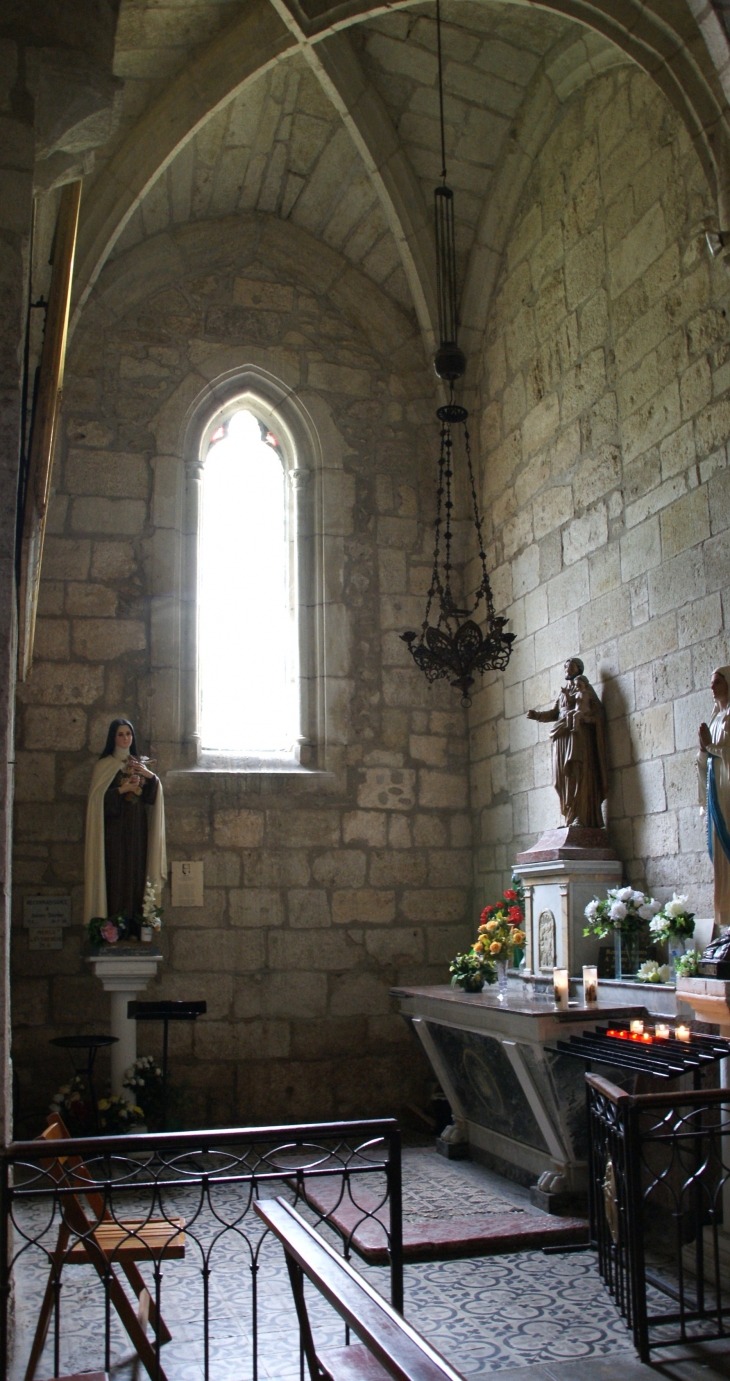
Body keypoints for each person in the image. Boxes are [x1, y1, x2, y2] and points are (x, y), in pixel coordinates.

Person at [84, 718, 166, 930]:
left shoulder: (139, 764)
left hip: (137, 829)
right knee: (116, 876)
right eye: (120, 734)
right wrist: (122, 790)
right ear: (113, 737)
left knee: (136, 875)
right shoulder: (104, 766)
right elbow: (97, 801)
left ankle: (134, 925)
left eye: (128, 734)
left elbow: (151, 798)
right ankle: (113, 926)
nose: (125, 738)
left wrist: (149, 776)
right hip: (115, 831)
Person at [527, 657, 608, 829]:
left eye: (570, 667)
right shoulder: (563, 691)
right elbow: (555, 713)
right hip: (562, 735)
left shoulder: (585, 689)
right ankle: (569, 817)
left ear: (579, 669)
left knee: (578, 773)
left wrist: (586, 719)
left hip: (578, 735)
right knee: (561, 779)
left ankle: (582, 817)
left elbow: (599, 713)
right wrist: (537, 716)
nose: (567, 670)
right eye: (565, 667)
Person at [698, 667, 730, 928]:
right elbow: (707, 759)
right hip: (716, 792)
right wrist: (703, 750)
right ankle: (726, 921)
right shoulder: (716, 719)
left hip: (728, 792)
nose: (712, 687)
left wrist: (709, 746)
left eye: (718, 681)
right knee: (719, 851)